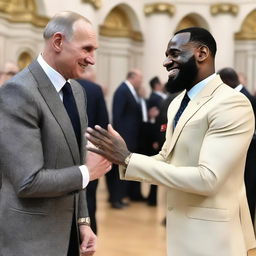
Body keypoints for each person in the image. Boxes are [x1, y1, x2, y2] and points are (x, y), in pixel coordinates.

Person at [86, 27, 256, 255]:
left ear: (202, 53)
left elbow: (208, 179)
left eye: (174, 54)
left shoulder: (232, 103)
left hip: (214, 238)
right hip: (181, 232)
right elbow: (167, 159)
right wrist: (123, 157)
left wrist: (128, 158)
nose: (166, 62)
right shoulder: (177, 103)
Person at [0, 11, 112, 256]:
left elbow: (76, 159)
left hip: (69, 236)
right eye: (87, 49)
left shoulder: (78, 92)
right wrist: (88, 172)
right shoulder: (18, 93)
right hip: (31, 241)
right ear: (58, 42)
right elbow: (28, 182)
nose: (92, 59)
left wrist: (83, 222)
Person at [218, 67, 256, 225]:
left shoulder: (240, 97)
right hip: (246, 150)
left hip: (248, 151)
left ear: (226, 82)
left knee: (248, 190)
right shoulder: (242, 94)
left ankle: (244, 227)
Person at [105, 69, 145, 209]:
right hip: (124, 139)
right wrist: (119, 139)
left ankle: (120, 197)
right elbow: (118, 116)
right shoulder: (122, 91)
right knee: (119, 170)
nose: (141, 81)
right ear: (132, 77)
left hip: (130, 138)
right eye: (140, 78)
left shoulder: (131, 91)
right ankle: (116, 199)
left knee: (124, 169)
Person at [77, 69, 109, 234]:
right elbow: (103, 125)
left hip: (64, 154)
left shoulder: (61, 86)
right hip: (90, 151)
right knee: (89, 197)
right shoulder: (95, 89)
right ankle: (90, 233)